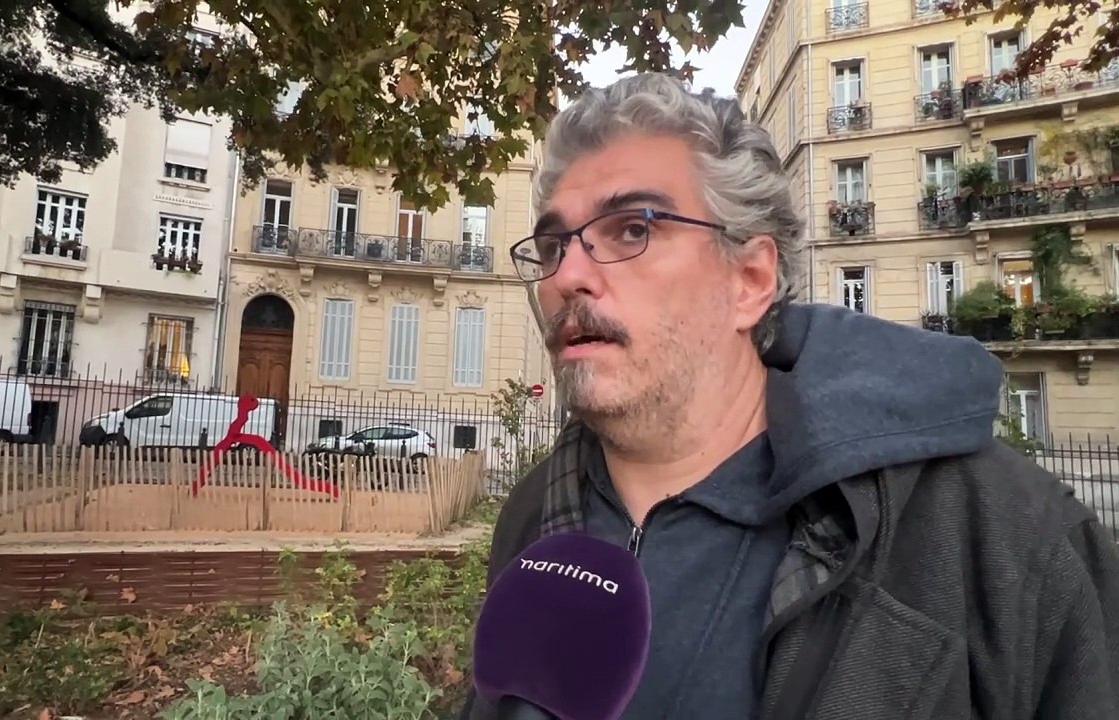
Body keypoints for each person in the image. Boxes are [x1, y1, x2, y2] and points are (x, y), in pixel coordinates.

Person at [461, 73, 1119, 719]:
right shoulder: (537, 510)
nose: (568, 275)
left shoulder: (991, 531)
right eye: (552, 245)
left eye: (633, 229)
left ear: (749, 279)